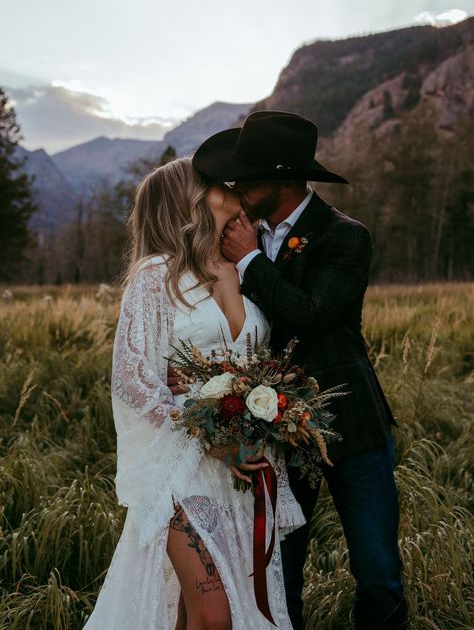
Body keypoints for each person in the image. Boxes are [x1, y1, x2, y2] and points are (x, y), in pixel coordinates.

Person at [190, 110, 409, 630]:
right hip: (277, 430)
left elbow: (310, 314)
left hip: (352, 426)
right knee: (280, 567)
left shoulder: (344, 237)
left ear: (283, 179)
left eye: (249, 178)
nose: (238, 188)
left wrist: (249, 262)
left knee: (377, 568)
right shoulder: (237, 237)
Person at [82, 156, 305, 630]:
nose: (225, 185)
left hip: (243, 462)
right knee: (214, 611)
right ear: (188, 201)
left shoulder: (241, 268)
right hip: (184, 461)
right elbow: (130, 375)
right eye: (209, 181)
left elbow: (255, 360)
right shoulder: (156, 276)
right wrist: (206, 434)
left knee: (209, 607)